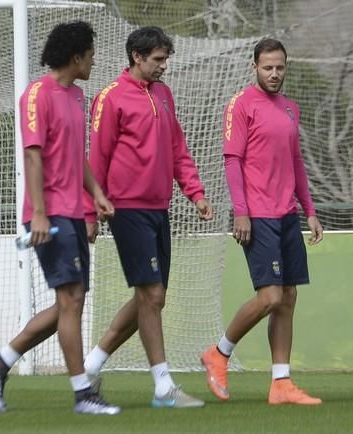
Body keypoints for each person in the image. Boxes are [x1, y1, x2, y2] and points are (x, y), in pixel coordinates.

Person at [0, 21, 120, 415]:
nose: (94, 60)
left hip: (73, 211)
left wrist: (98, 193)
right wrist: (38, 213)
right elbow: (33, 156)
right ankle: (82, 394)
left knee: (69, 302)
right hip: (49, 215)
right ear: (76, 57)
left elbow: (77, 156)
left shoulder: (78, 97)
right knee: (71, 300)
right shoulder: (37, 94)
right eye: (91, 54)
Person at [82, 26, 212, 409]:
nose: (164, 66)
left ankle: (90, 366)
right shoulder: (109, 98)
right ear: (136, 57)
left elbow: (178, 149)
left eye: (166, 59)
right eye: (158, 59)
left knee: (151, 298)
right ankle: (163, 388)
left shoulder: (165, 96)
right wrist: (91, 211)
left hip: (160, 209)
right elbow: (96, 160)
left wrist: (196, 193)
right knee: (151, 295)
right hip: (126, 209)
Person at [200, 38, 324, 406]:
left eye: (280, 67)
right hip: (257, 215)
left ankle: (281, 383)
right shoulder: (241, 105)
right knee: (269, 296)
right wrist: (241, 210)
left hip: (287, 215)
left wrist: (310, 210)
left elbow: (296, 162)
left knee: (288, 297)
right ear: (254, 66)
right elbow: (232, 160)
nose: (274, 73)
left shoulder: (290, 109)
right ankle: (219, 353)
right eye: (268, 67)